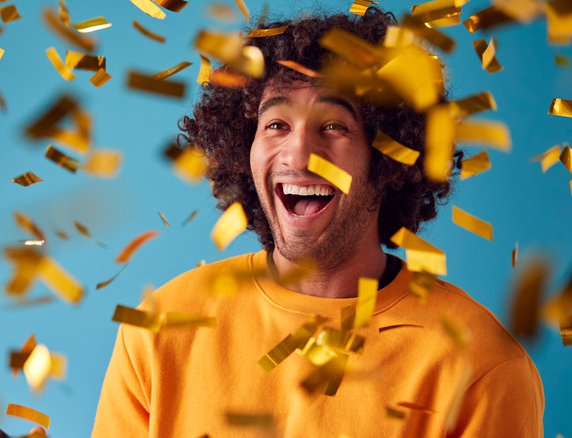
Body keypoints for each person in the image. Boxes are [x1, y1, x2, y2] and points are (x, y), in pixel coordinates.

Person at [93, 8, 544, 437]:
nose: (298, 154)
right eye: (275, 125)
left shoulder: (480, 366)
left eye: (333, 126)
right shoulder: (160, 326)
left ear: (388, 160)